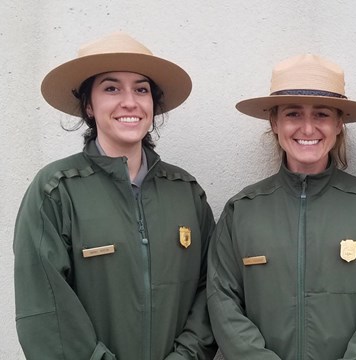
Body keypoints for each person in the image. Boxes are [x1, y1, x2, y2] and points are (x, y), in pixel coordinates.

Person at [13, 32, 217, 359]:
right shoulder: (55, 190)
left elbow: (212, 289)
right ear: (89, 106)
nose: (130, 102)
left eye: (141, 89)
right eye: (111, 88)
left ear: (153, 104)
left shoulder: (186, 191)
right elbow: (45, 311)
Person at [207, 54, 356, 359]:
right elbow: (222, 301)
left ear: (339, 123)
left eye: (321, 114)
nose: (307, 127)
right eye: (293, 114)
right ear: (274, 122)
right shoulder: (242, 211)